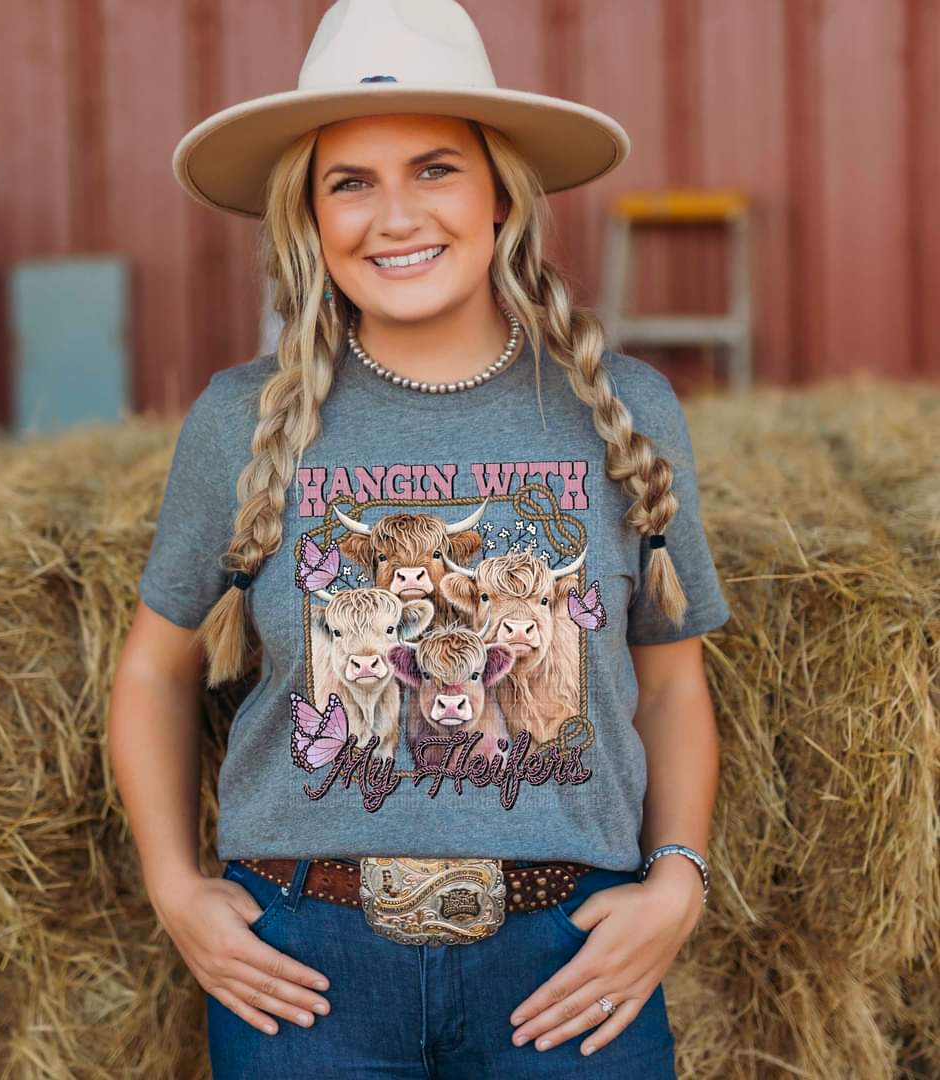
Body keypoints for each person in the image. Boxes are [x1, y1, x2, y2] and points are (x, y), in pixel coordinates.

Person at [108, 1, 731, 1076]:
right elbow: (157, 669)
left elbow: (669, 683)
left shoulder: (622, 410)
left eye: (435, 168)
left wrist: (677, 877)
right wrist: (176, 888)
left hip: (568, 959)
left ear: (500, 195)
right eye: (350, 181)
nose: (394, 215)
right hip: (305, 966)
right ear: (309, 215)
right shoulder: (239, 419)